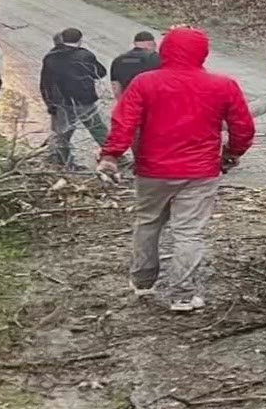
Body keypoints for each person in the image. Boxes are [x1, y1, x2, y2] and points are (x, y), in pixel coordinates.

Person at [98, 27, 254, 313]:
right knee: (189, 232)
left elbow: (124, 121)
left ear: (164, 50)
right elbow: (243, 127)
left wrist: (111, 154)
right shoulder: (223, 85)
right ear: (203, 52)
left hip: (153, 169)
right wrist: (232, 153)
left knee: (148, 222)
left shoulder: (145, 83)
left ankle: (142, 281)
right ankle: (182, 295)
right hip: (201, 170)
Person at [41, 26, 109, 170]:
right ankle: (113, 154)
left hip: (61, 101)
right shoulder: (85, 56)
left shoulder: (50, 57)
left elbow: (45, 83)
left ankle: (63, 162)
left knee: (63, 133)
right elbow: (101, 72)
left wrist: (49, 103)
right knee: (97, 128)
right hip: (83, 100)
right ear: (80, 40)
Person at [110, 31, 161, 97]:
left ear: (134, 43)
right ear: (151, 44)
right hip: (151, 100)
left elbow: (116, 88)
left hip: (129, 100)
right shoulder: (156, 58)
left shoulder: (118, 60)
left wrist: (122, 103)